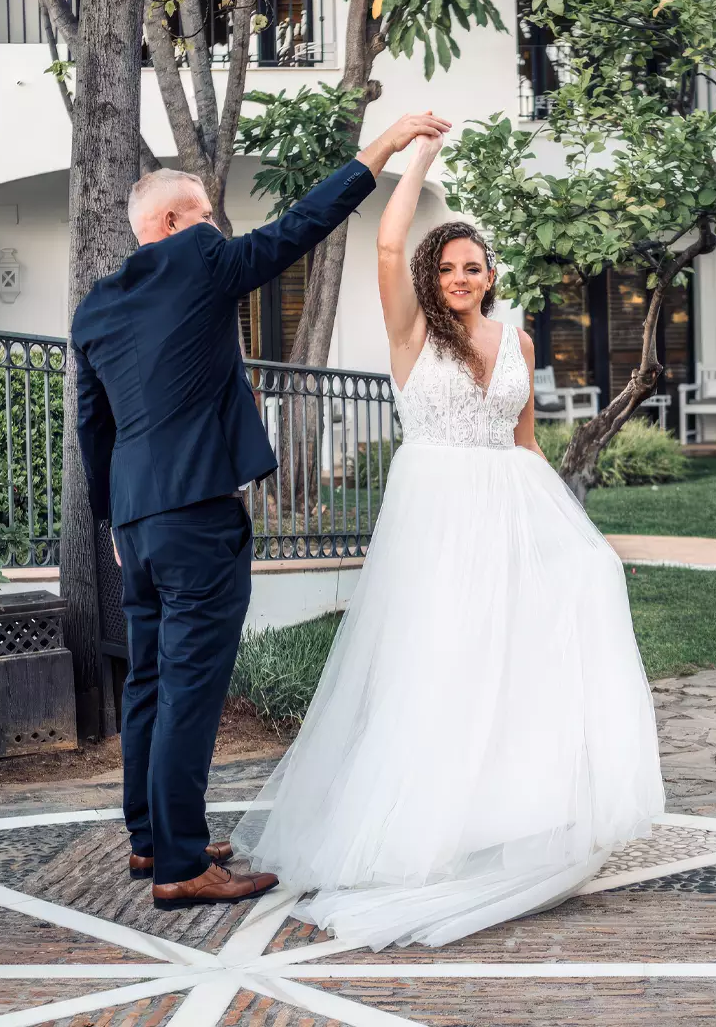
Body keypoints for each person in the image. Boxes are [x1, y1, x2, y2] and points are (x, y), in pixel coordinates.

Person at [232, 131, 665, 949]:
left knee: (506, 664)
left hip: (509, 504)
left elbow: (527, 444)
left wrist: (577, 535)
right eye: (449, 267)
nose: (461, 278)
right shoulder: (409, 338)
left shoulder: (520, 344)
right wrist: (413, 154)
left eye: (475, 267)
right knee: (436, 662)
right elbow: (389, 239)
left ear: (491, 276)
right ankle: (417, 830)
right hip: (434, 514)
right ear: (432, 278)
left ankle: (495, 815)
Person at [72, 112, 452, 912]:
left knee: (148, 679)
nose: (219, 225)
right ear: (172, 223)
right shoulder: (197, 258)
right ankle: (181, 864)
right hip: (199, 513)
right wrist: (377, 153)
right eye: (207, 213)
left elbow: (91, 425)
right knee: (190, 688)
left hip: (136, 523)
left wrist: (112, 522)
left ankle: (150, 838)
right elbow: (297, 230)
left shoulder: (97, 306)